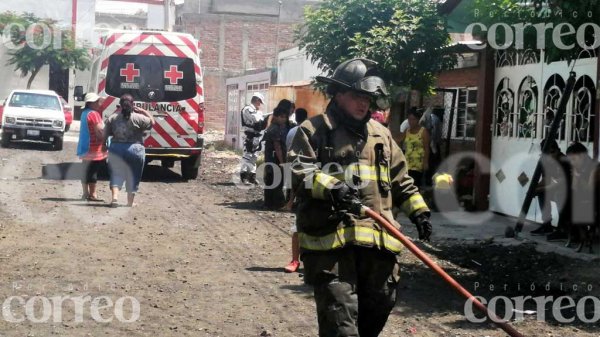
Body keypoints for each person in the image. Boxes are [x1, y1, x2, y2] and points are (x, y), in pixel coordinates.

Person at [288, 58, 432, 337]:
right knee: (341, 325)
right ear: (338, 94)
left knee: (379, 307)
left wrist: (419, 211)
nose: (364, 103)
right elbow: (300, 172)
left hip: (378, 246)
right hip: (331, 245)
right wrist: (332, 187)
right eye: (357, 95)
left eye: (368, 97)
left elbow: (401, 179)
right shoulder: (313, 131)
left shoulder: (381, 136)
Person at [104, 94, 155, 207]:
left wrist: (104, 146)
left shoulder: (113, 118)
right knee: (133, 175)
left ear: (120, 105)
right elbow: (152, 122)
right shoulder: (138, 118)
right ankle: (129, 203)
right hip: (135, 150)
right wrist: (143, 111)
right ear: (132, 105)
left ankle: (115, 198)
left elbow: (105, 133)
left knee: (116, 173)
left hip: (116, 149)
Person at [529, 138, 571, 241]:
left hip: (569, 191)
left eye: (553, 152)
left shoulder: (563, 161)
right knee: (541, 193)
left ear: (558, 150)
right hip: (558, 189)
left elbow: (560, 183)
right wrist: (535, 188)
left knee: (558, 194)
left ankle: (563, 228)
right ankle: (546, 225)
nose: (550, 156)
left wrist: (540, 188)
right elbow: (546, 179)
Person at [283, 107, 308, 273]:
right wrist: (292, 199)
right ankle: (295, 260)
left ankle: (297, 260)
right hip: (300, 185)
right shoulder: (300, 132)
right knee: (297, 227)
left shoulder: (292, 131)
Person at [565, 142, 598, 252]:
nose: (571, 162)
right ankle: (579, 237)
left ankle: (584, 239)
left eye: (573, 159)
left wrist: (578, 177)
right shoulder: (577, 168)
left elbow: (590, 189)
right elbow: (574, 188)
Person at [77, 93, 108, 202]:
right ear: (92, 103)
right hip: (94, 148)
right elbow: (99, 131)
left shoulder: (84, 113)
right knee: (93, 171)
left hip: (84, 147)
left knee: (85, 171)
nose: (99, 103)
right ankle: (93, 194)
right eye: (97, 101)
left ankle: (85, 193)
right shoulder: (94, 114)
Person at [262, 106, 289, 209]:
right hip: (275, 159)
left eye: (285, 117)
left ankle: (268, 203)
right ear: (276, 117)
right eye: (282, 117)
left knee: (270, 181)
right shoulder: (276, 129)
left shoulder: (272, 127)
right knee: (277, 181)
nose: (284, 119)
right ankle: (277, 203)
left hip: (270, 159)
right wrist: (282, 162)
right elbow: (277, 147)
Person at [239, 92, 268, 185]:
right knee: (247, 155)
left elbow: (260, 122)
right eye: (260, 102)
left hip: (256, 136)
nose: (260, 104)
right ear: (256, 100)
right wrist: (261, 115)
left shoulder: (257, 111)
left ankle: (252, 176)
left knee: (254, 156)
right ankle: (243, 176)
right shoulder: (248, 109)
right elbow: (256, 120)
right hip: (249, 135)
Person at [404, 108, 430, 188]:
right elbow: (398, 140)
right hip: (407, 163)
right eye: (409, 119)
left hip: (418, 164)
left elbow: (426, 148)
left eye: (413, 119)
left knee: (415, 186)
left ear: (418, 119)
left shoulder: (423, 132)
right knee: (406, 185)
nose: (411, 121)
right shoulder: (407, 131)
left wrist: (425, 162)